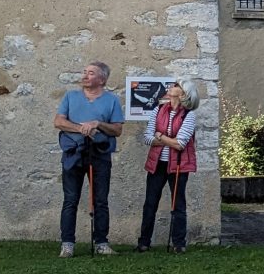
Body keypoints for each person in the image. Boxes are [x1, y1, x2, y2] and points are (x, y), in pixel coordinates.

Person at [54, 60, 124, 257]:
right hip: (73, 153)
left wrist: (98, 124)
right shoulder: (71, 96)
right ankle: (67, 243)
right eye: (84, 72)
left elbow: (117, 129)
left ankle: (101, 242)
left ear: (102, 79)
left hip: (100, 154)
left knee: (100, 200)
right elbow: (58, 121)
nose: (85, 76)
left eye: (91, 73)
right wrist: (80, 128)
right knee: (70, 199)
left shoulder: (111, 100)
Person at [137, 81, 198, 253]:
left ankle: (179, 244)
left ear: (183, 94)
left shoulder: (189, 115)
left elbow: (180, 144)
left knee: (177, 204)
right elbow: (147, 137)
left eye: (177, 85)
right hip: (157, 163)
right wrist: (166, 139)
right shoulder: (158, 110)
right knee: (150, 203)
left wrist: (160, 136)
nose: (171, 86)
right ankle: (144, 242)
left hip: (179, 164)